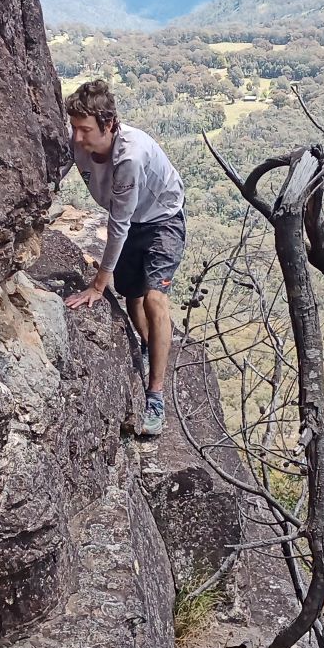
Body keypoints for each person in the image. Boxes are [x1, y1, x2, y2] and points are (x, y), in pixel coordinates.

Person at [63, 79, 186, 439]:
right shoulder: (79, 141)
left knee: (153, 297)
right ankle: (148, 347)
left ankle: (156, 396)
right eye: (74, 128)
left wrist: (97, 285)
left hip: (163, 218)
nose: (78, 138)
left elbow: (119, 224)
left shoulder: (129, 156)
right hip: (133, 218)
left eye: (86, 130)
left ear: (110, 124)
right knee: (130, 293)